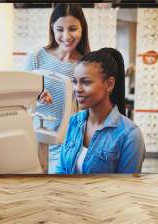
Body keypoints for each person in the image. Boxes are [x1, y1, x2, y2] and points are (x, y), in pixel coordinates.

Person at [56, 48, 145, 174]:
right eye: (75, 82)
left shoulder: (130, 135)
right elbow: (61, 169)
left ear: (109, 84)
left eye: (86, 82)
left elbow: (127, 186)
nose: (77, 89)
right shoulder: (74, 122)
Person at [25, 3, 90, 173]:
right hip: (35, 139)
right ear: (52, 28)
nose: (66, 36)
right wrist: (35, 95)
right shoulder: (36, 58)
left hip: (69, 144)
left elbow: (88, 110)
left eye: (73, 29)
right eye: (60, 29)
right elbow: (21, 99)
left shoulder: (87, 64)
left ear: (83, 28)